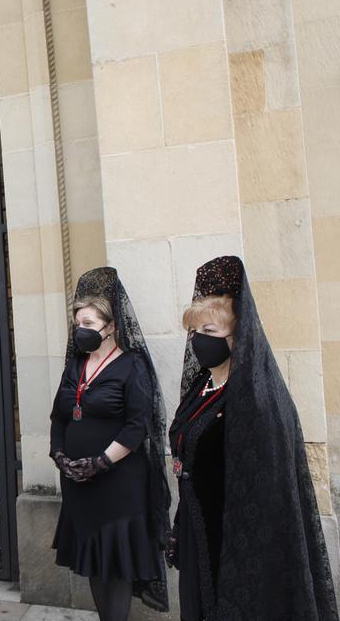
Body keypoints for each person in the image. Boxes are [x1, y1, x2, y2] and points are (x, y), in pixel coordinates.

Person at [167, 256, 338, 620]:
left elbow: (270, 487)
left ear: (237, 335)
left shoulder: (258, 399)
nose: (199, 340)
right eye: (195, 332)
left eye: (210, 332)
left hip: (238, 546)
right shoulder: (202, 385)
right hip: (199, 532)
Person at [48, 268, 170, 620]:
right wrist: (60, 455)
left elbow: (137, 427)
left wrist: (100, 462)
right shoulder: (75, 365)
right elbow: (59, 415)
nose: (80, 330)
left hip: (118, 483)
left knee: (115, 564)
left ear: (110, 326)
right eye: (77, 323)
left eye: (88, 322)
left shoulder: (133, 366)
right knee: (95, 564)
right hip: (78, 485)